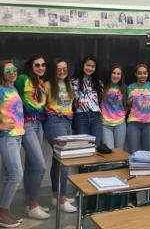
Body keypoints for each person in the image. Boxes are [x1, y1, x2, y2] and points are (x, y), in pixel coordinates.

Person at [15, 55, 50, 219]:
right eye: (37, 65)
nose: (41, 67)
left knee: (31, 166)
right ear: (31, 66)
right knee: (40, 166)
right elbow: (10, 92)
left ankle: (30, 203)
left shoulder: (41, 83)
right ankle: (33, 204)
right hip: (27, 125)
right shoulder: (23, 79)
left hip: (39, 125)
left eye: (43, 65)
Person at [43, 58, 76, 213]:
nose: (62, 71)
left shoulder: (69, 85)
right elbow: (40, 105)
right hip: (54, 122)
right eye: (58, 69)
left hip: (68, 121)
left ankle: (55, 196)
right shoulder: (48, 85)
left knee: (58, 161)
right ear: (53, 70)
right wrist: (51, 111)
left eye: (65, 68)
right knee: (64, 159)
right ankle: (62, 199)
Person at [0, 60, 25, 227]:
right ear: (1, 73)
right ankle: (3, 212)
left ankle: (4, 210)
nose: (12, 72)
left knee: (8, 175)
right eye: (7, 70)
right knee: (16, 175)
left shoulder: (13, 88)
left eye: (14, 69)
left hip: (17, 137)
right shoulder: (1, 90)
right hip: (7, 137)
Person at [72, 56, 103, 147]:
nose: (90, 68)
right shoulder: (73, 81)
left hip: (96, 117)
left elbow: (100, 101)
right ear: (83, 65)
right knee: (83, 147)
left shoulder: (99, 83)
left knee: (96, 147)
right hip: (81, 117)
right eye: (87, 65)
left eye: (93, 66)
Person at [127, 64, 150, 153]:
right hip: (134, 123)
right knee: (133, 152)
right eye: (140, 73)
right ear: (136, 74)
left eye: (145, 73)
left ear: (147, 74)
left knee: (148, 152)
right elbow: (128, 104)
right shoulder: (130, 87)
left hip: (149, 124)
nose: (142, 75)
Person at [100, 64, 126, 150]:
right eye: (113, 73)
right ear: (110, 74)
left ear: (121, 76)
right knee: (109, 152)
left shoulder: (124, 88)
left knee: (119, 152)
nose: (116, 76)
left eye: (118, 74)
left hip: (120, 124)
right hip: (106, 124)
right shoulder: (102, 87)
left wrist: (123, 113)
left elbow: (129, 103)